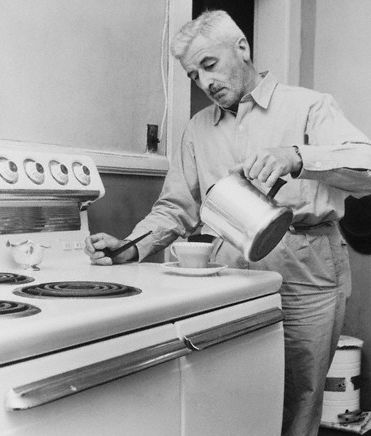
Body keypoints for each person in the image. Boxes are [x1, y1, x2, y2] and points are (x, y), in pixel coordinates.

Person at [85, 10, 371, 436]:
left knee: (299, 400)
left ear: (242, 48)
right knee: (231, 395)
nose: (205, 82)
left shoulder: (309, 106)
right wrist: (132, 245)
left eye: (210, 65)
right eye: (193, 75)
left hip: (307, 269)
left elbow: (366, 166)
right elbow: (176, 207)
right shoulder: (198, 129)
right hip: (229, 270)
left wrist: (297, 157)